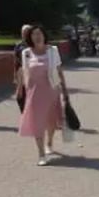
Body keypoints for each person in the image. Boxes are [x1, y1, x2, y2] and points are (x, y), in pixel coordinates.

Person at [16, 26, 70, 166]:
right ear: (30, 37)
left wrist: (65, 90)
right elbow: (24, 71)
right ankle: (41, 154)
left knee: (51, 121)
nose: (37, 36)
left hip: (52, 90)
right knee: (37, 122)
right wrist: (22, 88)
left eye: (39, 33)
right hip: (34, 93)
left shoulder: (53, 51)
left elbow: (59, 70)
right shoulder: (26, 53)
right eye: (34, 34)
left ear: (44, 35)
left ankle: (49, 143)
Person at [13, 24, 31, 113]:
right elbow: (15, 61)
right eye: (23, 32)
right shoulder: (18, 45)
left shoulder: (34, 45)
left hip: (32, 74)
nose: (24, 34)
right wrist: (15, 75)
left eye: (26, 32)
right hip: (21, 73)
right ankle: (24, 113)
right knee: (20, 97)